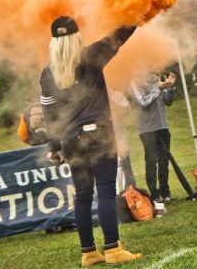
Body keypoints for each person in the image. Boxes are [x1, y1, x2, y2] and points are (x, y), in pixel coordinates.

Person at [39, 16, 141, 266]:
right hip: (98, 134)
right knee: (106, 191)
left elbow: (50, 116)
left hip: (70, 140)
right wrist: (139, 9)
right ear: (76, 36)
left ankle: (88, 253)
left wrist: (54, 147)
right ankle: (113, 250)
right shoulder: (90, 56)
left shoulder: (47, 72)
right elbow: (122, 33)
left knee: (83, 196)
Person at [130, 72, 177, 203]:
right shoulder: (134, 83)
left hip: (163, 127)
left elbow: (168, 102)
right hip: (147, 129)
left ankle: (165, 193)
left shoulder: (156, 79)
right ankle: (155, 196)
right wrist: (159, 88)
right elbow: (144, 103)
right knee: (151, 163)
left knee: (164, 161)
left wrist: (170, 87)